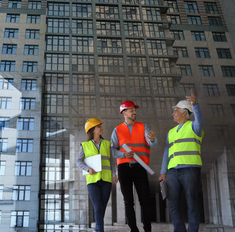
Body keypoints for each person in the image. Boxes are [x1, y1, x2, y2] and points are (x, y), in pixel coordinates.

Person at [158, 90, 204, 232]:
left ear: (185, 113)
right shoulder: (170, 132)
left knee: (192, 203)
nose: (173, 113)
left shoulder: (194, 127)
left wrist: (195, 105)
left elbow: (200, 120)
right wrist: (163, 171)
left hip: (190, 169)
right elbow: (167, 152)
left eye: (176, 110)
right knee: (172, 204)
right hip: (172, 172)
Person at [111, 100, 157, 232]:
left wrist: (152, 139)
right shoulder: (117, 130)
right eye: (131, 110)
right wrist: (123, 154)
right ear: (124, 113)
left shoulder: (143, 127)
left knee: (145, 200)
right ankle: (133, 229)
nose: (134, 113)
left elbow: (151, 142)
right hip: (124, 168)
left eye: (135, 110)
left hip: (140, 167)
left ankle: (147, 229)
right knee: (128, 202)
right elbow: (112, 150)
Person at [76, 118, 118, 232]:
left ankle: (98, 228)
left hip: (106, 180)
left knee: (102, 208)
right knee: (98, 208)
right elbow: (78, 161)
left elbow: (112, 161)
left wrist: (114, 174)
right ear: (92, 130)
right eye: (99, 126)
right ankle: (100, 230)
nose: (101, 128)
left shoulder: (107, 144)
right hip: (92, 181)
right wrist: (87, 169)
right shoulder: (84, 145)